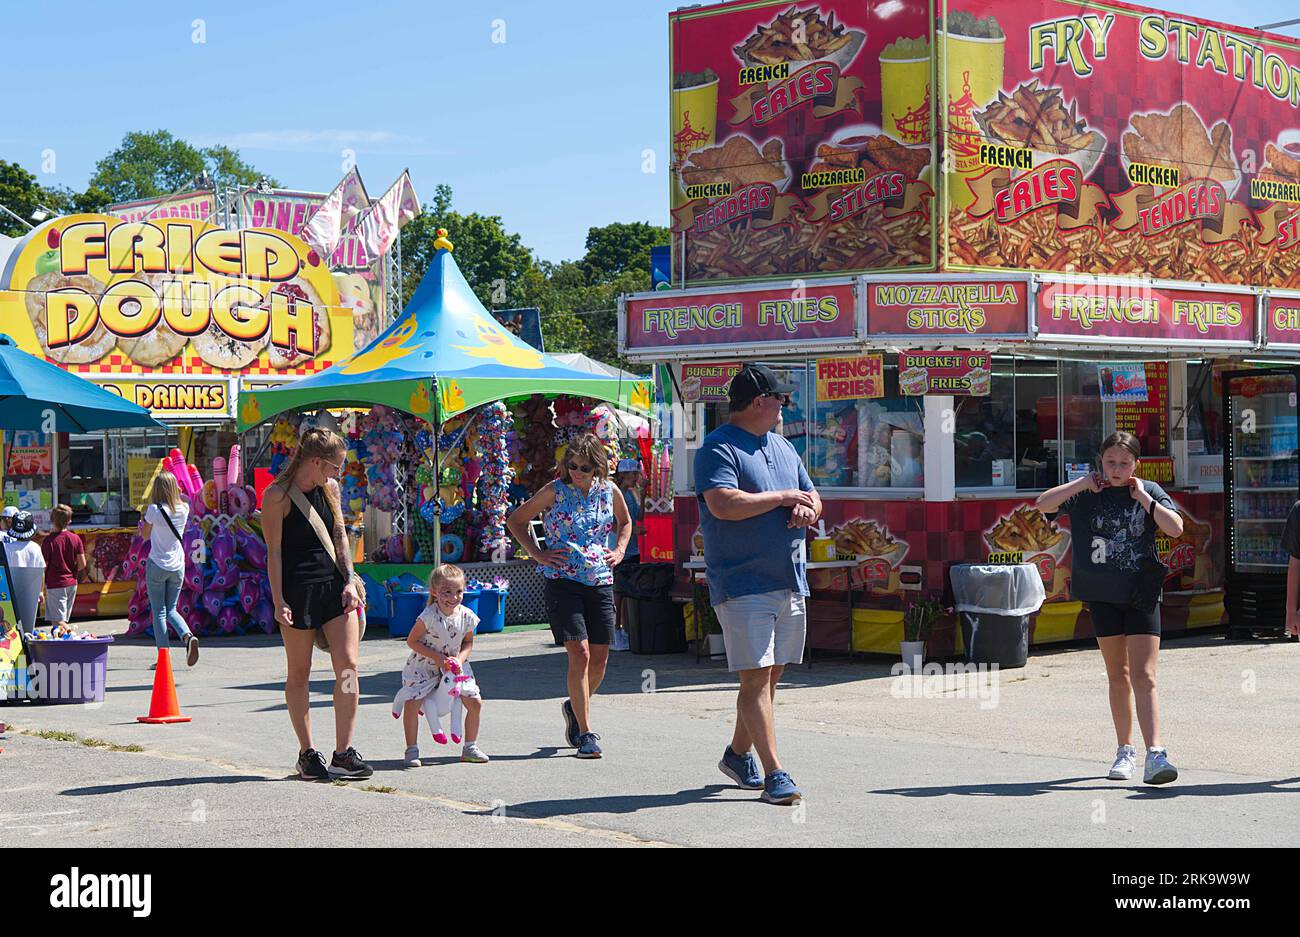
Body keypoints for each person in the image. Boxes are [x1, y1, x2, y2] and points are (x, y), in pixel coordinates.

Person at [695, 363, 822, 806]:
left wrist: (808, 509)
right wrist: (784, 498)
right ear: (757, 403)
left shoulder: (784, 447)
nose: (786, 404)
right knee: (754, 679)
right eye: (780, 397)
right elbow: (724, 505)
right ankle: (775, 774)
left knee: (770, 678)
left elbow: (812, 494)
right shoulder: (717, 447)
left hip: (789, 578)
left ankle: (736, 754)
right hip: (742, 581)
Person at [1036, 431, 1183, 786]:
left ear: (1136, 465)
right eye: (1110, 462)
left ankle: (1156, 754)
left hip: (1141, 593)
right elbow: (1043, 504)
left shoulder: (1148, 491)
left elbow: (1176, 529)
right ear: (1101, 461)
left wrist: (1146, 499)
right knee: (1118, 675)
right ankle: (1124, 750)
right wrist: (1082, 483)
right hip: (1101, 594)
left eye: (1124, 463)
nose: (1116, 469)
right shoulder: (1087, 491)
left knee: (1144, 675)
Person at [507, 433, 631, 759]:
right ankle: (586, 733)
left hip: (601, 581)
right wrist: (538, 554)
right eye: (572, 465)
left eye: (584, 467)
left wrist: (619, 549)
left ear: (597, 468)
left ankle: (574, 706)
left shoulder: (610, 491)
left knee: (601, 660)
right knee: (581, 654)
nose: (577, 472)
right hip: (563, 581)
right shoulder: (554, 491)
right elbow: (516, 520)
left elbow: (626, 521)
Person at [261, 427, 370, 781]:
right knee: (299, 674)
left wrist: (350, 580)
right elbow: (273, 554)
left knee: (349, 667)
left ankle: (344, 752)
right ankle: (307, 753)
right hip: (297, 591)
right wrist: (279, 601)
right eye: (336, 466)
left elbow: (340, 535)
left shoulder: (331, 490)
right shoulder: (276, 496)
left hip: (335, 588)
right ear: (316, 461)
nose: (340, 473)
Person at [393, 564, 487, 765]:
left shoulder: (467, 616)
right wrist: (437, 658)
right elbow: (412, 640)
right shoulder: (428, 616)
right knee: (412, 702)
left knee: (475, 702)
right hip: (424, 666)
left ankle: (470, 747)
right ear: (435, 592)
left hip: (456, 668)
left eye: (458, 591)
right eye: (447, 592)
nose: (453, 597)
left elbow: (468, 642)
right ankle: (411, 750)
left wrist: (459, 660)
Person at [140, 472, 198, 667]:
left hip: (157, 563)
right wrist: (179, 493)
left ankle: (164, 657)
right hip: (178, 565)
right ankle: (187, 636)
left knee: (159, 612)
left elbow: (145, 536)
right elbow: (181, 499)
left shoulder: (153, 510)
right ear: (175, 489)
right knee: (172, 608)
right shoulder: (184, 508)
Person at [611, 459, 646, 651]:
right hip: (618, 549)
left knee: (627, 591)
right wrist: (635, 532)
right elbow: (614, 525)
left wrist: (645, 493)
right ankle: (615, 631)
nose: (636, 477)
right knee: (619, 592)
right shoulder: (616, 495)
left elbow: (638, 517)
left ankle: (623, 630)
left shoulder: (633, 493)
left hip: (632, 549)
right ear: (624, 475)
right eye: (634, 474)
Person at [40, 505, 85, 629]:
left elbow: (44, 567)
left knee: (58, 621)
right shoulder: (75, 538)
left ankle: (73, 637)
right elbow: (82, 564)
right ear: (69, 521)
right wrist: (72, 572)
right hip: (72, 583)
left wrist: (41, 587)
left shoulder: (49, 541)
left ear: (52, 520)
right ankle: (63, 645)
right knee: (60, 621)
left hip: (56, 585)